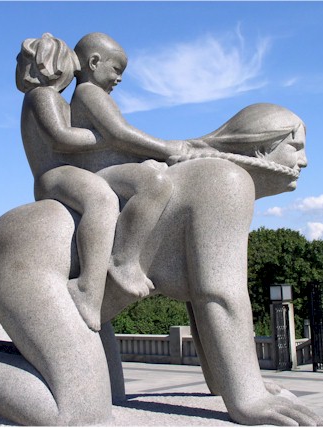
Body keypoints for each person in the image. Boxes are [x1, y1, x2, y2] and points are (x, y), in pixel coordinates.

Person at [17, 33, 210, 331]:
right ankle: (88, 286)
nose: (119, 79)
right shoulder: (42, 96)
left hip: (73, 170)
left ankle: (125, 259)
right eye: (117, 70)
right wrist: (110, 137)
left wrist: (127, 147)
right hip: (53, 175)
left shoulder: (63, 99)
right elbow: (61, 139)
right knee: (101, 198)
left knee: (154, 182)